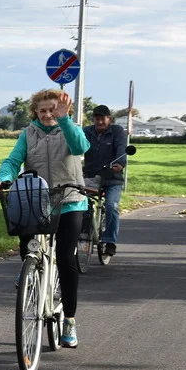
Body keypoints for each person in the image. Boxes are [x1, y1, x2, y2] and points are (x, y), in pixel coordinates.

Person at [0, 90, 90, 348]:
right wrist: (3, 177)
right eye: (43, 111)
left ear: (60, 110)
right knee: (26, 239)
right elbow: (14, 160)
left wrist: (65, 119)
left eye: (52, 110)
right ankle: (30, 270)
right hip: (38, 200)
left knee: (67, 256)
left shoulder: (69, 129)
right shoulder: (28, 133)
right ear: (35, 112)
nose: (48, 115)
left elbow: (80, 147)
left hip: (70, 201)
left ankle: (69, 319)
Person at [82, 104, 128, 256]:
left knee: (111, 206)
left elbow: (122, 148)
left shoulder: (117, 131)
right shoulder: (87, 131)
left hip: (112, 178)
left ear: (109, 119)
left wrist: (119, 163)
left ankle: (110, 241)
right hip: (90, 177)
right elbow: (77, 146)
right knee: (80, 205)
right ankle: (83, 233)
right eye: (97, 119)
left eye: (103, 119)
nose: (100, 122)